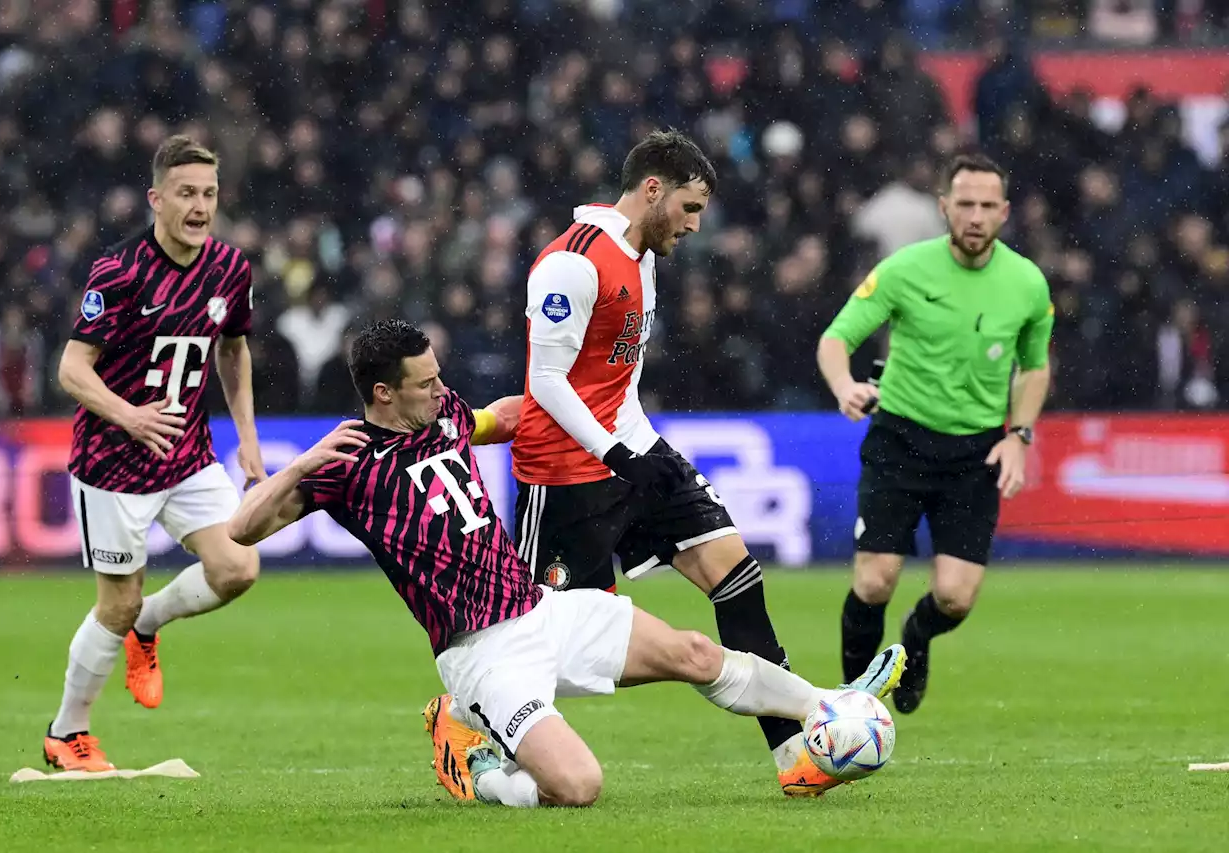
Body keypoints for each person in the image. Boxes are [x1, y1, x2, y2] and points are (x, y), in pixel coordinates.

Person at [227, 318, 906, 808]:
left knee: (697, 652)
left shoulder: (447, 416)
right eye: (426, 383)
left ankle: (828, 706)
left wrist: (562, 409)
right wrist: (305, 462)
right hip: (483, 652)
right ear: (381, 393)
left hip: (543, 610)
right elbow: (242, 528)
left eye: (439, 378)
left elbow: (497, 417)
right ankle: (470, 752)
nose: (441, 389)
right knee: (577, 787)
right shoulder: (344, 467)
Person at [427, 128, 838, 796]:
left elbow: (618, 382)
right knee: (544, 647)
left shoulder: (643, 256)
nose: (695, 225)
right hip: (562, 479)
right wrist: (616, 451)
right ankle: (465, 720)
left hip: (633, 452)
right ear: (652, 189)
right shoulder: (570, 263)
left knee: (738, 577)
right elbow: (549, 383)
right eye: (689, 207)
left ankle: (796, 750)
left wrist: (642, 450)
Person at [44, 135, 268, 771]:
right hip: (115, 464)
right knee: (114, 603)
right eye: (187, 194)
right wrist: (130, 416)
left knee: (238, 568)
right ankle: (67, 733)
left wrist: (247, 440)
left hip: (188, 454)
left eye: (210, 194)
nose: (200, 206)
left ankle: (151, 627)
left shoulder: (229, 268)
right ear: (157, 199)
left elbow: (232, 348)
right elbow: (71, 368)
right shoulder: (118, 272)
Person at [817, 152, 1054, 715]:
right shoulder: (904, 270)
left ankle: (915, 639)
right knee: (875, 581)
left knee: (955, 596)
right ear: (944, 207)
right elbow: (835, 338)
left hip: (974, 453)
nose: (975, 216)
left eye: (987, 206)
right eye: (964, 204)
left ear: (1005, 212)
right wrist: (844, 386)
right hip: (899, 439)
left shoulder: (1027, 284)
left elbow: (1035, 366)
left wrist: (1018, 434)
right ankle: (854, 705)